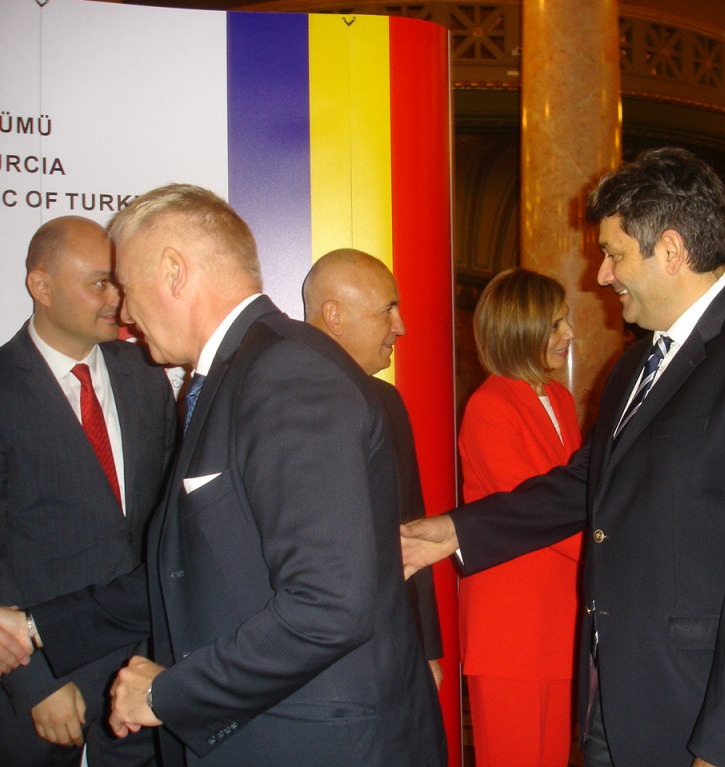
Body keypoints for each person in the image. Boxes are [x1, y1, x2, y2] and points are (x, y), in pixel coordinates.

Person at [402, 147, 725, 767]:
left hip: (702, 711)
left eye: (613, 254)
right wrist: (459, 530)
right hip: (614, 698)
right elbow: (589, 481)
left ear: (670, 250)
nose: (602, 276)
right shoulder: (635, 364)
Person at [0, 185, 446, 767]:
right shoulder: (235, 374)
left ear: (174, 271)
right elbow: (187, 571)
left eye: (128, 288)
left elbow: (330, 606)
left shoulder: (287, 374)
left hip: (318, 742)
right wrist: (36, 627)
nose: (126, 314)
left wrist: (168, 694)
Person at [0, 216, 176, 767]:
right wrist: (34, 683)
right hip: (39, 681)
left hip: (144, 679)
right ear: (42, 286)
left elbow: (167, 522)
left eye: (119, 283)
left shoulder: (146, 373)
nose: (117, 300)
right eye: (100, 283)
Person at [302, 248, 444, 690]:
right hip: (310, 662)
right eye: (388, 310)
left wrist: (427, 647)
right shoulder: (278, 403)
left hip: (392, 649)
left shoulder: (388, 403)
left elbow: (411, 527)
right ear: (334, 315)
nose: (400, 326)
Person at [457, 267, 582, 767]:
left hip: (557, 620)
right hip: (511, 629)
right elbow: (533, 514)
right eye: (555, 325)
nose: (569, 334)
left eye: (565, 320)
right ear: (519, 329)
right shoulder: (489, 406)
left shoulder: (560, 398)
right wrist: (615, 547)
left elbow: (574, 498)